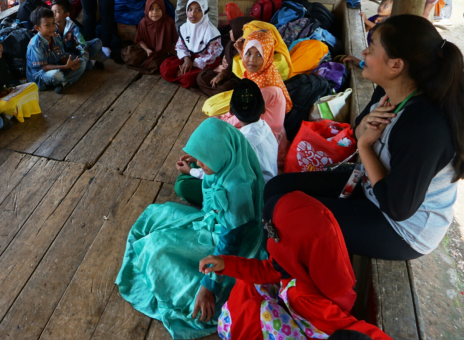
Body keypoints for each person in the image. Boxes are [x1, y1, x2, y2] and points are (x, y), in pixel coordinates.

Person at [265, 15, 464, 261]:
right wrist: (363, 136)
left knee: (281, 213)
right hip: (371, 185)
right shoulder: (389, 90)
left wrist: (365, 146)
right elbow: (359, 129)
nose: (363, 53)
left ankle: (279, 276)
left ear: (396, 65)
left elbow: (397, 207)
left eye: (371, 49)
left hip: (400, 228)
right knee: (276, 188)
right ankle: (274, 259)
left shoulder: (425, 126)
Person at [116, 118, 265, 339]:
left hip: (231, 245)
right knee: (157, 216)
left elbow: (228, 245)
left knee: (157, 249)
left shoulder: (236, 190)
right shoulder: (233, 160)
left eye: (205, 160)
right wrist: (198, 163)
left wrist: (208, 287)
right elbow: (213, 193)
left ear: (220, 156)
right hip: (219, 225)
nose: (200, 163)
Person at [203, 192, 392, 340]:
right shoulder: (303, 261)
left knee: (250, 312)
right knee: (248, 284)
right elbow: (271, 269)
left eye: (278, 248)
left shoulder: (306, 298)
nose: (273, 250)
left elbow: (351, 328)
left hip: (306, 326)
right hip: (294, 309)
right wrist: (226, 263)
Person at [176, 80, 277, 206]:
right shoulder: (265, 127)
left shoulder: (243, 146)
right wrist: (199, 158)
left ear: (230, 111)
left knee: (183, 186)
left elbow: (227, 179)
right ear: (264, 110)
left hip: (252, 195)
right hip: (269, 184)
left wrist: (191, 172)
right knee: (198, 165)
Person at [160, 0, 222, 89]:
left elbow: (211, 55)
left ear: (204, 11)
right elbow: (180, 46)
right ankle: (183, 74)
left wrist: (192, 64)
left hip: (204, 61)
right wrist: (186, 60)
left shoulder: (211, 33)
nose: (193, 14)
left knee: (187, 80)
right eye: (190, 9)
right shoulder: (185, 27)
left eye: (198, 10)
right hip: (189, 57)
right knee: (165, 68)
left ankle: (183, 75)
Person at [26, 8, 85, 94]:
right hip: (41, 75)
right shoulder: (36, 44)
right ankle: (62, 80)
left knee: (81, 62)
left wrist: (70, 63)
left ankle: (62, 83)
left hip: (56, 66)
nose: (52, 27)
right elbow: (44, 67)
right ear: (37, 28)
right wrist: (64, 67)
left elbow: (61, 57)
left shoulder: (55, 37)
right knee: (56, 75)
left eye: (53, 23)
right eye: (47, 25)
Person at [236, 29, 293, 113]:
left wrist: (222, 119)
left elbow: (247, 116)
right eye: (248, 53)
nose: (252, 60)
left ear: (267, 56)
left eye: (259, 55)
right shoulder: (260, 71)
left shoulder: (265, 88)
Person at [196, 16, 252, 97]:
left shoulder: (246, 49)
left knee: (222, 89)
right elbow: (225, 61)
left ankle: (218, 93)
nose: (230, 31)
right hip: (224, 73)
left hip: (235, 79)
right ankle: (217, 93)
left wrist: (223, 73)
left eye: (232, 30)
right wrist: (221, 68)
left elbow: (240, 72)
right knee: (201, 77)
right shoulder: (230, 43)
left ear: (239, 32)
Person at [121, 0, 178, 74]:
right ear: (147, 9)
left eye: (159, 8)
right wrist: (147, 50)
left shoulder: (168, 22)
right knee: (131, 56)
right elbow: (140, 40)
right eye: (151, 9)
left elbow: (175, 41)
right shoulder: (144, 22)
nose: (155, 12)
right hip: (147, 50)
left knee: (157, 65)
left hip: (163, 53)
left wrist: (168, 51)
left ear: (163, 9)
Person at [52, 0, 104, 70]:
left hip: (73, 51)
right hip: (61, 55)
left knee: (97, 43)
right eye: (52, 11)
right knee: (64, 56)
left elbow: (81, 44)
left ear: (66, 14)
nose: (53, 15)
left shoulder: (72, 26)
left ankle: (80, 63)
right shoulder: (50, 27)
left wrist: (84, 58)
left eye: (57, 12)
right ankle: (88, 64)